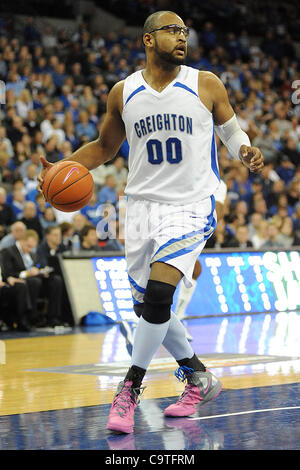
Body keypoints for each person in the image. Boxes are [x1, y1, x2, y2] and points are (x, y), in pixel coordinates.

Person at [38, 11, 264, 434]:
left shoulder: (205, 82)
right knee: (147, 308)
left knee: (159, 296)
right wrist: (63, 166)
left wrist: (245, 150)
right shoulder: (124, 92)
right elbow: (105, 147)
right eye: (172, 31)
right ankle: (198, 377)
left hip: (192, 204)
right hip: (141, 208)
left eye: (184, 31)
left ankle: (129, 389)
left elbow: (231, 131)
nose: (181, 37)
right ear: (147, 39)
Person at [1, 229, 64, 327]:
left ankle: (53, 317)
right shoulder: (8, 251)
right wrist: (27, 274)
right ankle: (31, 317)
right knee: (34, 281)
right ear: (22, 240)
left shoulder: (33, 255)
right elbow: (7, 274)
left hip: (35, 280)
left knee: (56, 280)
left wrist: (41, 272)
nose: (30, 249)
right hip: (19, 281)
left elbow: (37, 268)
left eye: (32, 247)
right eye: (28, 246)